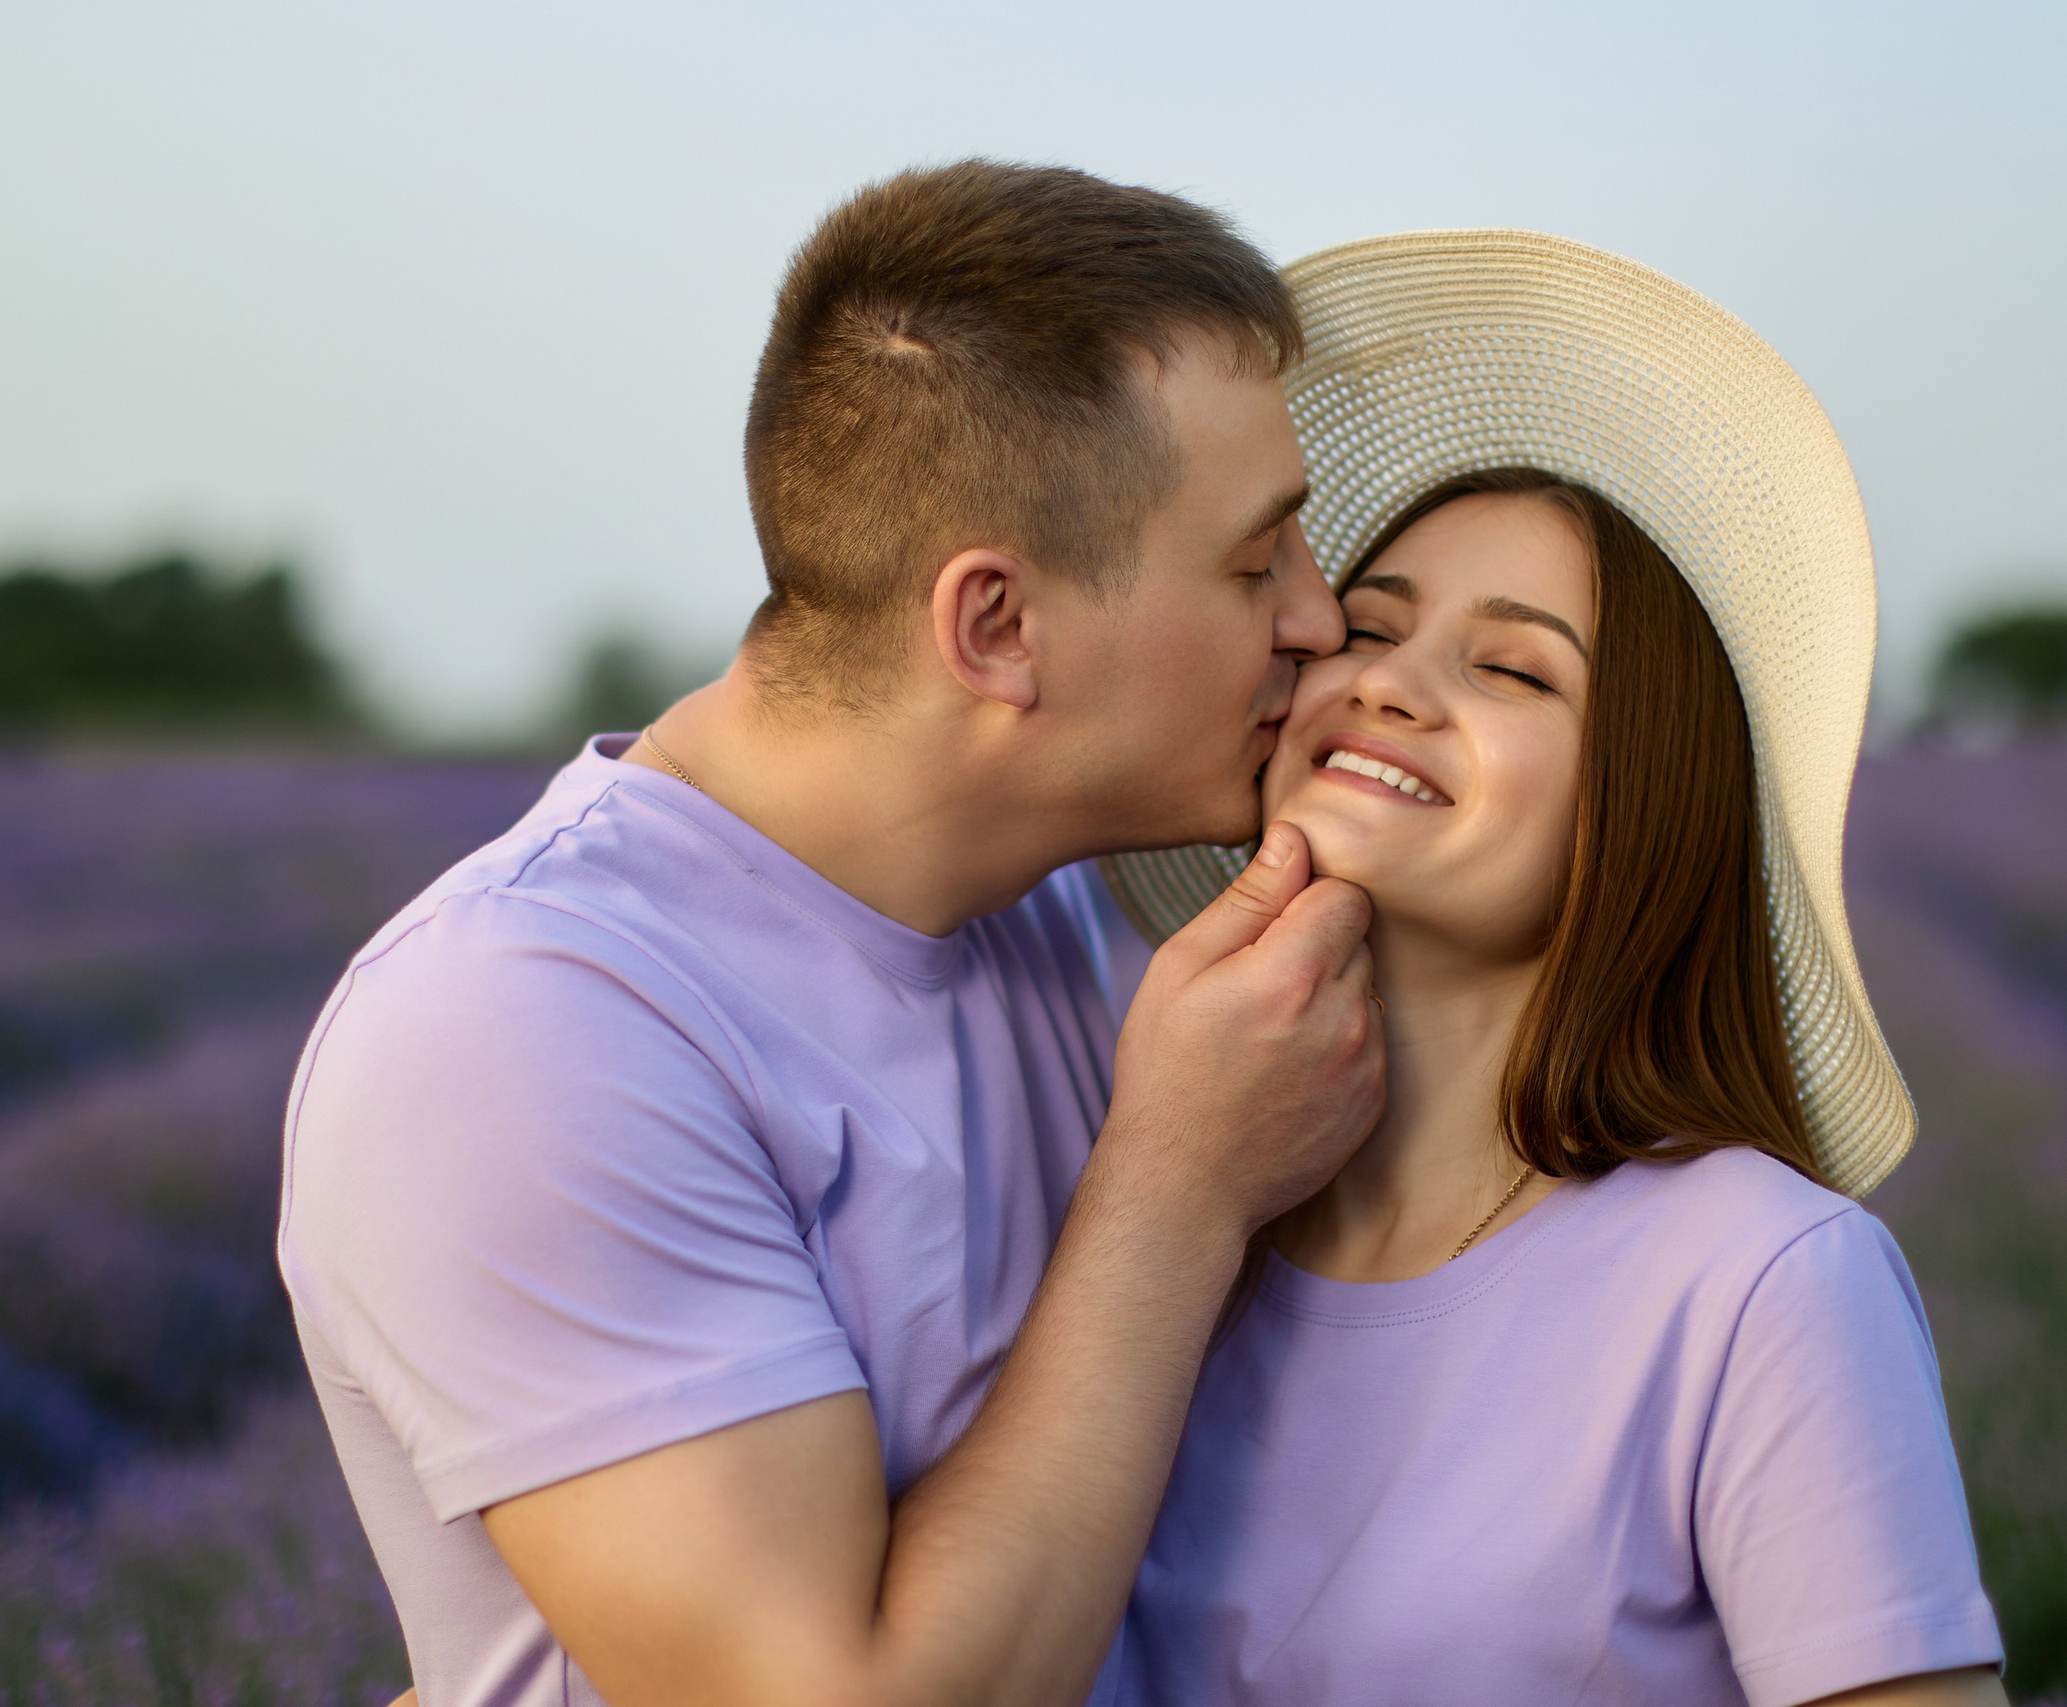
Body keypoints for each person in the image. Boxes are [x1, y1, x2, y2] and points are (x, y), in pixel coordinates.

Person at [279, 161, 1389, 1707]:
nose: (1320, 619)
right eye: (1255, 559)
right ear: (996, 627)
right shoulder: (519, 1028)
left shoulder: (1101, 903)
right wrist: (1175, 1192)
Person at [1097, 233, 2008, 1706]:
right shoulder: (1164, 1237)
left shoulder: (1758, 1282)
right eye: (1370, 627)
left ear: (1641, 802)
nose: (1388, 680)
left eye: (1512, 669)